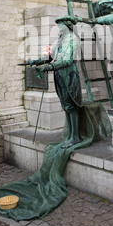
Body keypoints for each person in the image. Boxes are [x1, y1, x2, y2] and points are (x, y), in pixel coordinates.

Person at [28, 16, 82, 149]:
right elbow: (50, 56)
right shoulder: (59, 40)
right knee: (65, 105)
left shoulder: (72, 40)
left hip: (69, 75)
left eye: (60, 24)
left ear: (67, 25)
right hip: (59, 74)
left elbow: (68, 60)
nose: (58, 27)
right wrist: (37, 61)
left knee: (70, 105)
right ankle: (70, 135)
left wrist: (51, 67)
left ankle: (75, 136)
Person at [77, 0, 113, 116]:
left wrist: (79, 19)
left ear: (107, 8)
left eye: (103, 10)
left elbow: (95, 20)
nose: (103, 12)